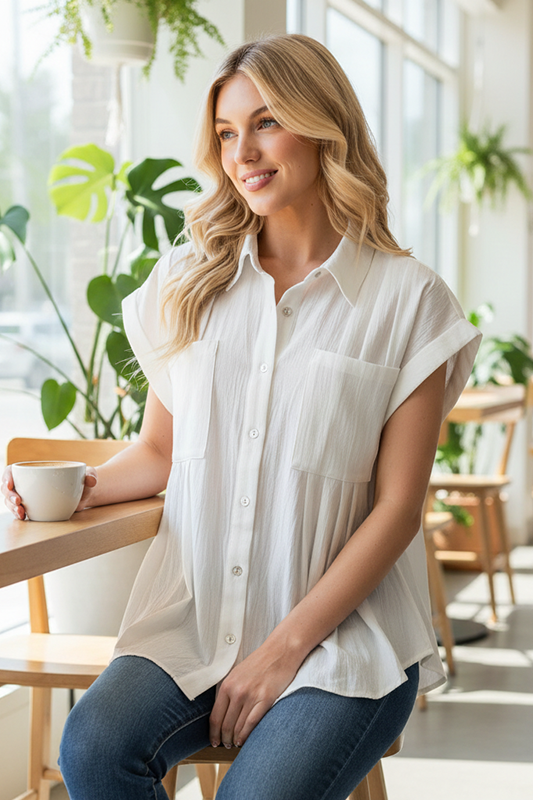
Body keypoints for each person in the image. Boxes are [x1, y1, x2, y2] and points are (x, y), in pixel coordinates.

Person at [2, 34, 481, 800]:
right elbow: (159, 452)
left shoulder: (407, 301)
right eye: (226, 133)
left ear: (322, 126)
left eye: (265, 123)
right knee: (94, 748)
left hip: (341, 649)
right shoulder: (190, 280)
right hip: (189, 631)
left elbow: (396, 511)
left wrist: (281, 653)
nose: (242, 152)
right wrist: (82, 486)